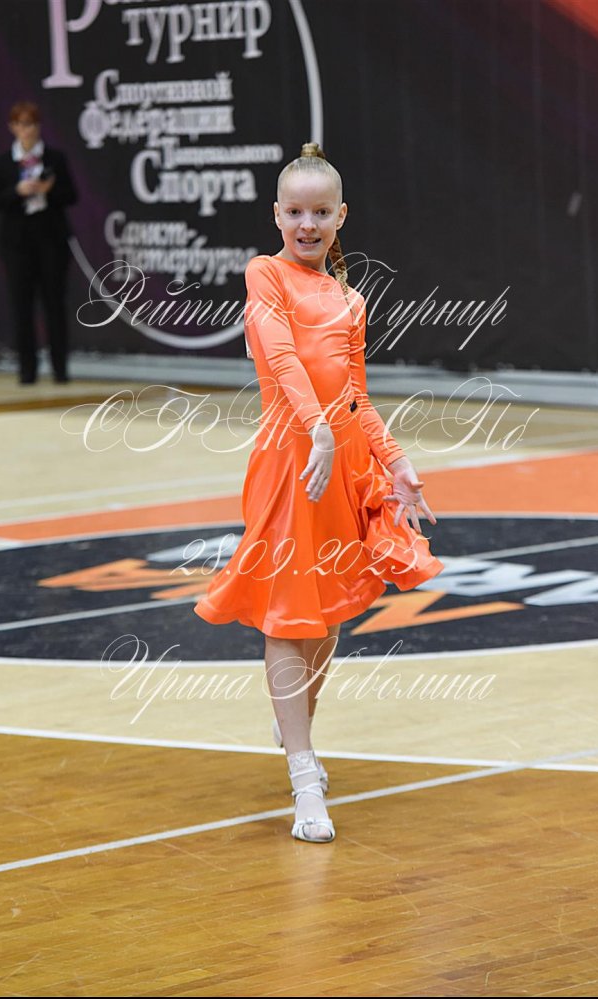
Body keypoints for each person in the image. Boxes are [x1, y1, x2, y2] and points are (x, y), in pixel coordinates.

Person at [194, 142, 445, 843]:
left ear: (341, 216)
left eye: (321, 212)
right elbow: (280, 358)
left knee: (329, 611)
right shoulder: (265, 273)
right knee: (288, 614)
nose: (308, 224)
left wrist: (395, 461)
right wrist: (317, 429)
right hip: (290, 463)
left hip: (343, 464)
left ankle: (297, 721)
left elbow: (357, 394)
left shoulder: (350, 298)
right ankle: (304, 774)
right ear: (277, 214)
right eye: (296, 212)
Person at [0, 101, 78, 384]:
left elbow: (71, 195)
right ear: (13, 127)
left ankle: (60, 369)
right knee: (21, 306)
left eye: (33, 124)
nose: (28, 130)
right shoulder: (2, 163)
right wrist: (17, 191)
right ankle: (27, 370)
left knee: (55, 304)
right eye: (22, 124)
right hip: (17, 243)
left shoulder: (54, 159)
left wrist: (48, 190)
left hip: (51, 239)